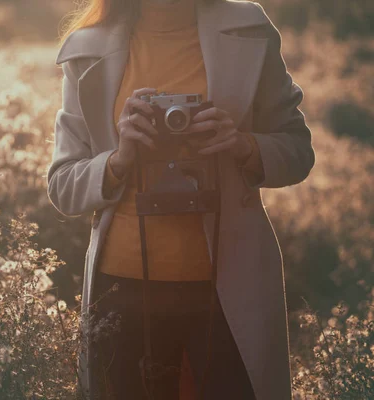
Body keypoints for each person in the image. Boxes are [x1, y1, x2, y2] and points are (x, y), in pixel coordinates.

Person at [46, 0, 315, 399]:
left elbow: (298, 150)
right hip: (121, 291)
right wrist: (119, 160)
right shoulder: (88, 48)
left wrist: (241, 144)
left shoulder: (248, 30)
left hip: (227, 287)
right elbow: (62, 184)